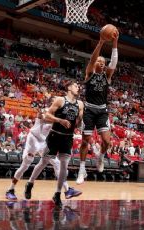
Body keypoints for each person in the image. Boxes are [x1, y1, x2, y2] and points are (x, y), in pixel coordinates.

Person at [5, 107, 81, 201]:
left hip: (43, 142)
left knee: (56, 163)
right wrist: (59, 120)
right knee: (24, 166)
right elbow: (41, 116)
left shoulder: (59, 118)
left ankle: (67, 190)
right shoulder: (49, 112)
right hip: (33, 139)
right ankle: (10, 190)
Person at [76, 30, 119, 184]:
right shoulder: (89, 74)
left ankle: (100, 157)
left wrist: (114, 42)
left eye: (103, 61)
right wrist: (101, 42)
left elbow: (113, 62)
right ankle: (82, 169)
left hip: (101, 110)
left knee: (107, 141)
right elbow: (91, 60)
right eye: (98, 61)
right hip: (89, 110)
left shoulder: (107, 76)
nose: (101, 62)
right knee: (85, 141)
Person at [43, 80, 84, 208]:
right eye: (76, 85)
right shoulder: (59, 101)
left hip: (67, 138)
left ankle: (59, 193)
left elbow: (77, 123)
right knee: (42, 163)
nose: (78, 87)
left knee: (63, 167)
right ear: (69, 87)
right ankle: (28, 184)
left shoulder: (80, 104)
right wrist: (60, 120)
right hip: (52, 137)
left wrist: (81, 118)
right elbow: (46, 116)